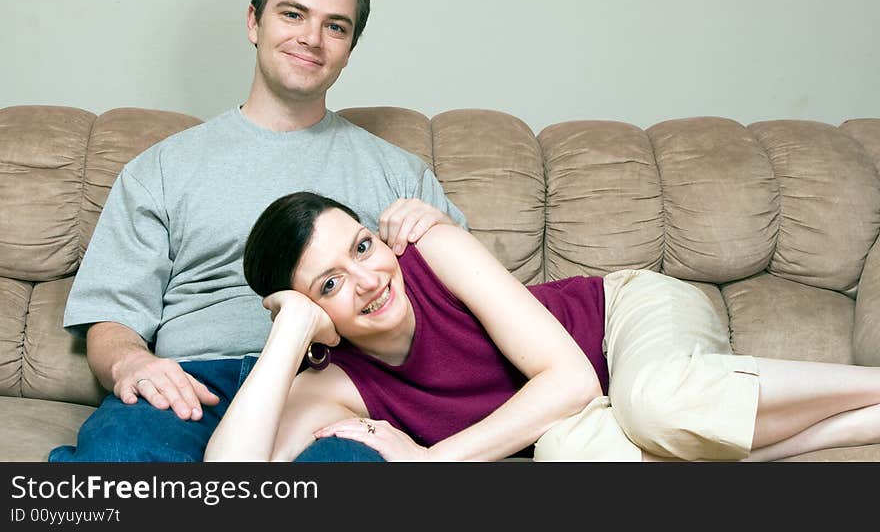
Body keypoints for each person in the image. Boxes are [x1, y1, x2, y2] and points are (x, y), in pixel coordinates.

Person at [49, 0, 466, 463]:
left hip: (341, 386)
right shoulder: (161, 169)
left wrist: (438, 233)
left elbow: (469, 316)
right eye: (293, 14)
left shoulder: (401, 174)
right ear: (254, 22)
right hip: (196, 384)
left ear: (350, 46)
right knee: (119, 455)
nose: (312, 39)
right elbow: (111, 317)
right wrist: (132, 363)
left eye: (335, 26)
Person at [205, 191, 880, 462]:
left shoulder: (430, 249)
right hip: (585, 418)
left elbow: (571, 378)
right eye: (328, 286)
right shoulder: (336, 380)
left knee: (656, 401)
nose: (369, 278)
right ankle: (854, 423)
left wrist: (431, 463)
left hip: (624, 321)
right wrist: (290, 329)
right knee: (570, 455)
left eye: (360, 246)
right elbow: (226, 490)